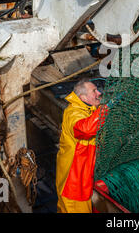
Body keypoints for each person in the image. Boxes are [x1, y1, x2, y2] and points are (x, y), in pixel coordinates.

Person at [56, 79, 106, 213]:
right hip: (73, 181)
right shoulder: (73, 113)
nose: (99, 93)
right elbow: (85, 129)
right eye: (94, 91)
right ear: (83, 97)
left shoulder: (89, 110)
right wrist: (104, 109)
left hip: (83, 176)